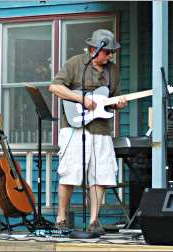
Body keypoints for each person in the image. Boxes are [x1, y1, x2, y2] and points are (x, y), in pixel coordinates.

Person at [49, 29, 127, 235]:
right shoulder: (76, 63)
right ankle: (61, 218)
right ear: (95, 49)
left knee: (100, 174)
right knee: (70, 172)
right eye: (107, 52)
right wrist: (82, 99)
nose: (110, 56)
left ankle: (94, 221)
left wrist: (119, 104)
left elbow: (115, 97)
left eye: (111, 52)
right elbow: (55, 87)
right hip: (75, 128)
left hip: (101, 129)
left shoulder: (113, 70)